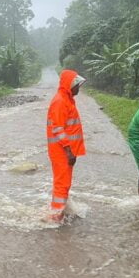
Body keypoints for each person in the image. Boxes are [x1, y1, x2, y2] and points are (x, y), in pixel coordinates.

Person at [45, 69, 87, 223]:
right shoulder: (60, 101)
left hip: (65, 150)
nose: (78, 88)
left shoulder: (66, 99)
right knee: (62, 183)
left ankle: (61, 210)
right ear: (68, 85)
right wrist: (69, 151)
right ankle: (55, 216)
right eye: (76, 85)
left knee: (64, 182)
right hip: (61, 151)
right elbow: (58, 129)